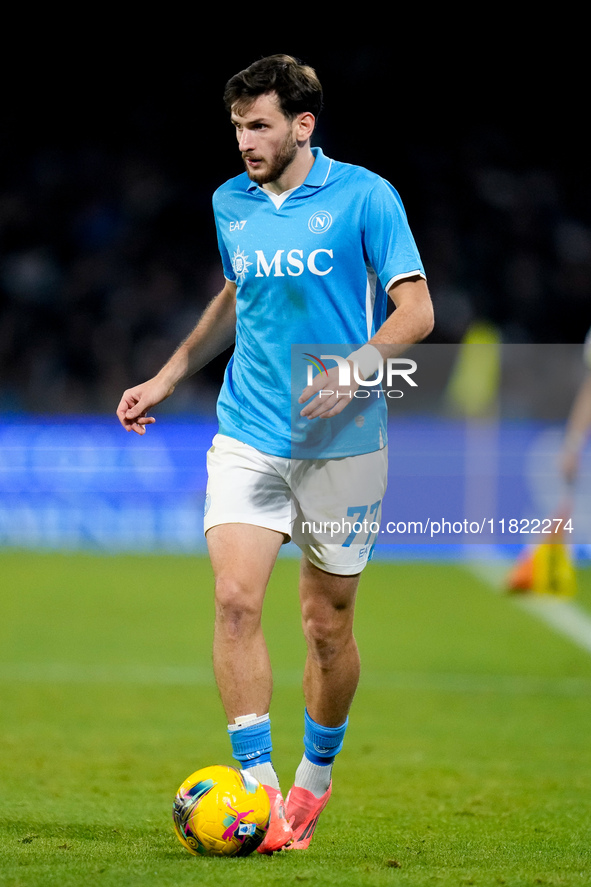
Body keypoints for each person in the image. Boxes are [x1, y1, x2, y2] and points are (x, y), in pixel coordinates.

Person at [117, 54, 433, 852]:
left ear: (302, 125)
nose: (244, 142)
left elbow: (416, 311)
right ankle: (258, 793)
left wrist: (356, 367)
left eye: (258, 126)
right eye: (235, 127)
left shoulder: (366, 195)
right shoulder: (231, 202)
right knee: (234, 600)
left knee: (325, 624)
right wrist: (168, 372)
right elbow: (235, 294)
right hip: (248, 429)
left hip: (340, 435)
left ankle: (312, 779)